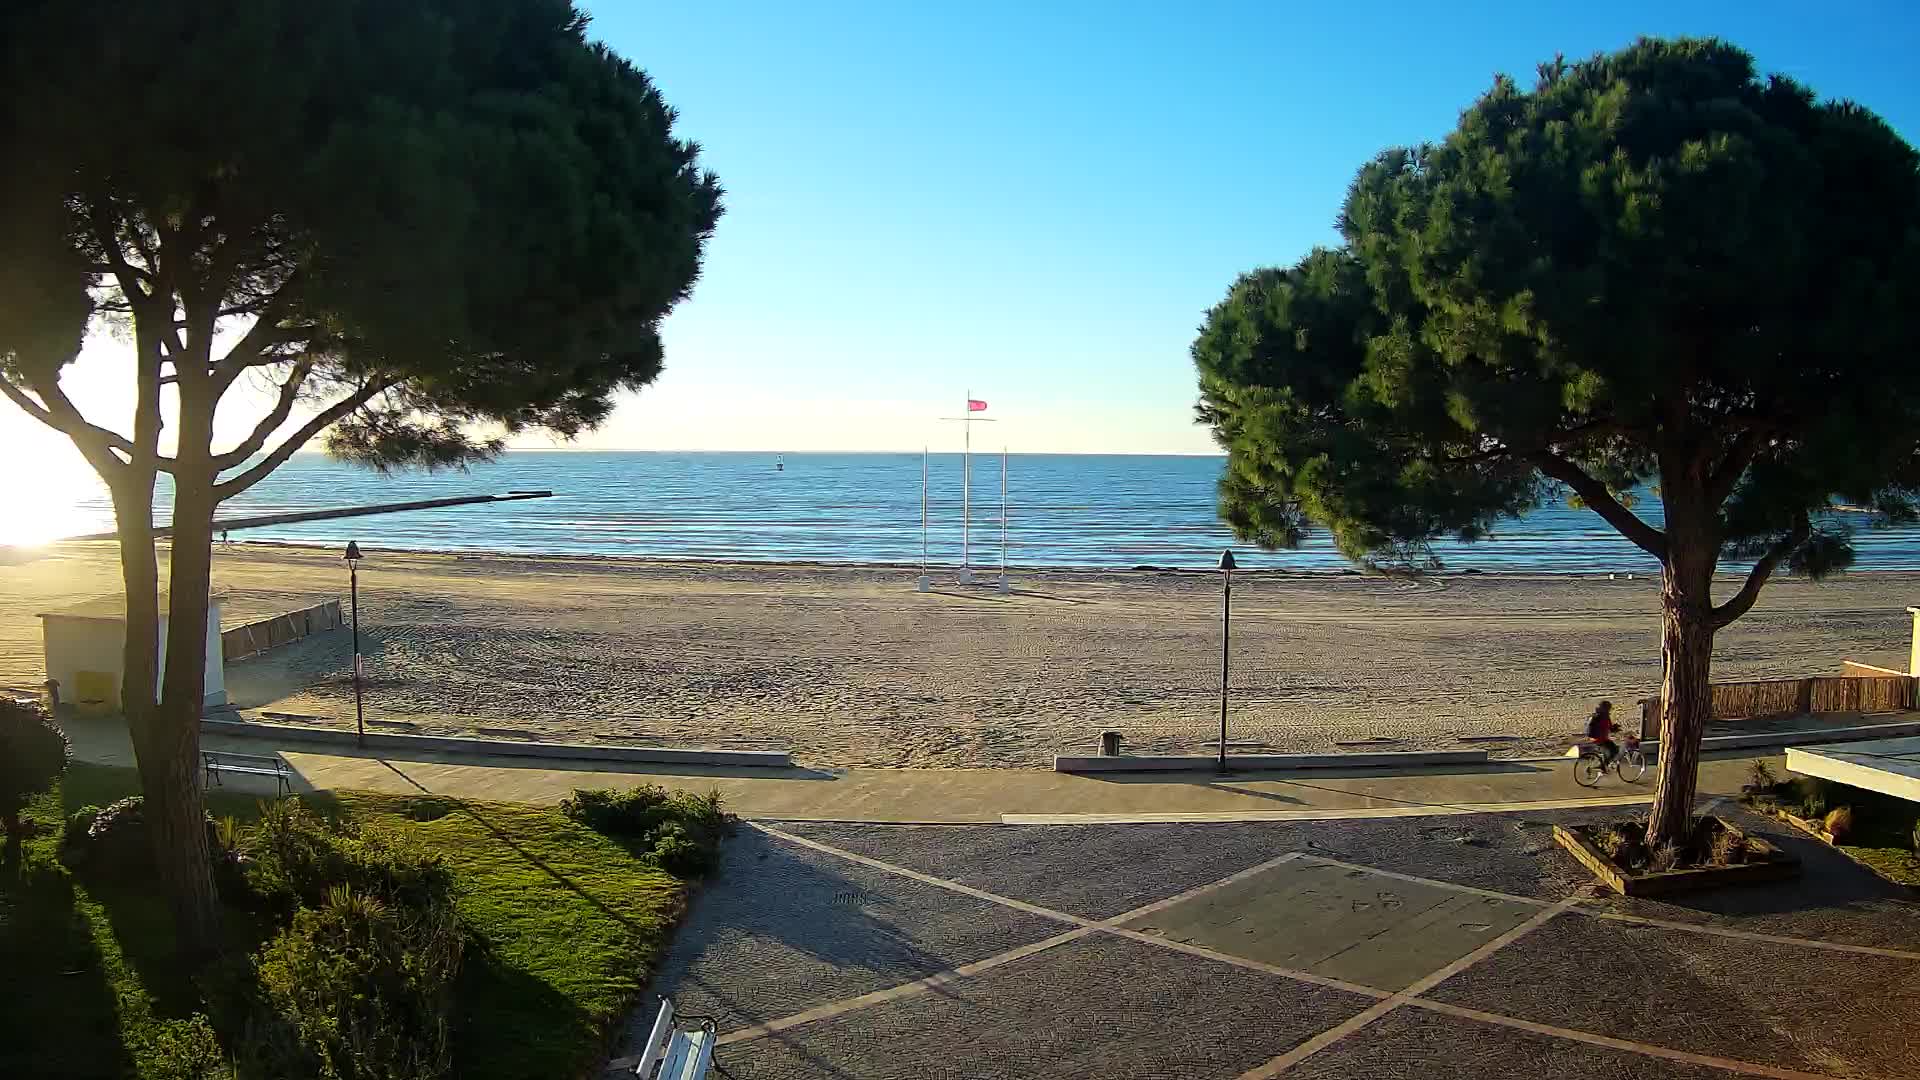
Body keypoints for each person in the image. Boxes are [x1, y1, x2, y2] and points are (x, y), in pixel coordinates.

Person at [1587, 700, 1619, 771]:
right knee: (1615, 749)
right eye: (1609, 708)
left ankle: (1603, 765)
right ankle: (1603, 765)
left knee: (1607, 749)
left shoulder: (1598, 715)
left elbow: (1609, 728)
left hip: (1596, 738)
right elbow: (1610, 728)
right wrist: (1616, 728)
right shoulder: (1604, 716)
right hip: (1600, 739)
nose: (1610, 709)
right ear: (1606, 708)